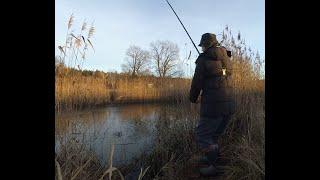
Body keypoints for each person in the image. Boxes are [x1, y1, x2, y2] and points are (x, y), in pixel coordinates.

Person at [189, 33, 235, 176]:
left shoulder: (203, 60)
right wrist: (216, 71)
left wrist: (192, 98)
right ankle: (215, 158)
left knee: (202, 134)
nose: (201, 48)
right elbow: (228, 72)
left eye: (202, 45)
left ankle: (215, 167)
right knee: (213, 136)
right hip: (229, 105)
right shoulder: (225, 56)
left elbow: (197, 83)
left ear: (206, 45)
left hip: (214, 106)